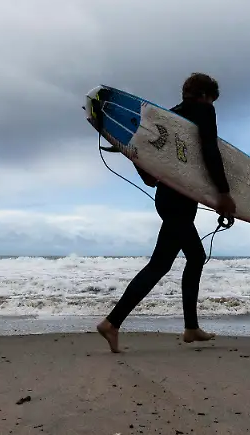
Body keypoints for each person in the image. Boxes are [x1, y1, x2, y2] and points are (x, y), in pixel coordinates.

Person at [96, 72, 236, 353]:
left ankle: (189, 327)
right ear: (206, 96)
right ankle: (113, 322)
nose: (212, 105)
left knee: (177, 260)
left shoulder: (169, 119)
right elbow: (210, 151)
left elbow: (149, 171)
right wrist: (223, 194)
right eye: (212, 100)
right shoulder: (203, 111)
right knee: (179, 261)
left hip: (168, 197)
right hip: (179, 201)